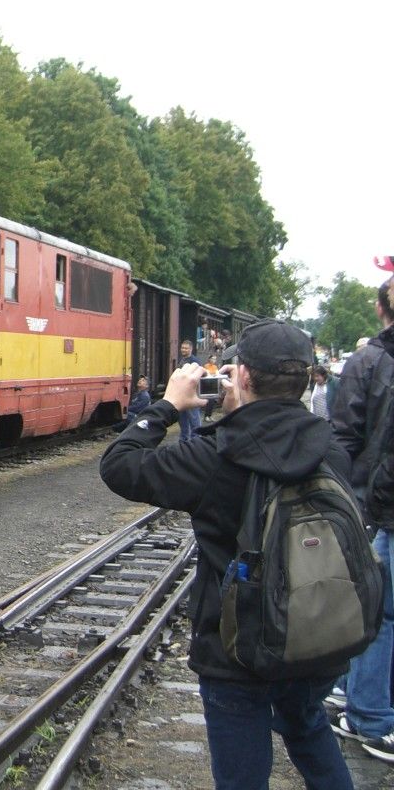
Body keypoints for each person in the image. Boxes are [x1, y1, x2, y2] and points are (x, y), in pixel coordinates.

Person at [101, 320, 355, 789]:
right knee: (308, 726)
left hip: (234, 647)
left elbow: (120, 465)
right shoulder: (332, 451)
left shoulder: (215, 455)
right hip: (316, 635)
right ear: (304, 379)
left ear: (240, 377)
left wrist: (166, 406)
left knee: (242, 772)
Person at [329, 274, 394, 762]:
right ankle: (368, 714)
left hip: (370, 499)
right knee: (381, 612)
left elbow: (344, 436)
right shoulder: (372, 361)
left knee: (366, 604)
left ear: (378, 309)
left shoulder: (366, 361)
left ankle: (350, 697)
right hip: (379, 503)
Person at [177, 339, 201, 441]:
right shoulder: (182, 360)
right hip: (182, 395)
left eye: (186, 348)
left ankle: (196, 441)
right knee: (183, 421)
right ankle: (183, 441)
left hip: (191, 395)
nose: (184, 350)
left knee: (194, 420)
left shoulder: (195, 361)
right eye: (182, 348)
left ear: (191, 349)